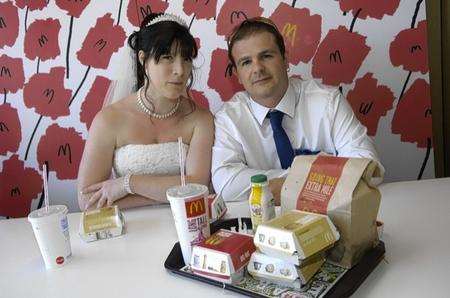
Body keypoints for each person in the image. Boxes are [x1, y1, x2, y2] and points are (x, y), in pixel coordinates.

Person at [211, 17, 383, 203]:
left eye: (266, 56)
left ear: (285, 60)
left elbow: (367, 165)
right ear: (237, 74)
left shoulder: (328, 101)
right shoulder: (228, 118)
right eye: (246, 62)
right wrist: (314, 179)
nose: (257, 68)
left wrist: (277, 186)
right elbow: (226, 183)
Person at [77, 13, 214, 210]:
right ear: (143, 59)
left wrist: (128, 184)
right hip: (130, 230)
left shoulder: (200, 118)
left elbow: (198, 187)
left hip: (186, 224)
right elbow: (87, 200)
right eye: (167, 57)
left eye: (186, 58)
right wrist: (168, 195)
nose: (180, 70)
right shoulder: (109, 119)